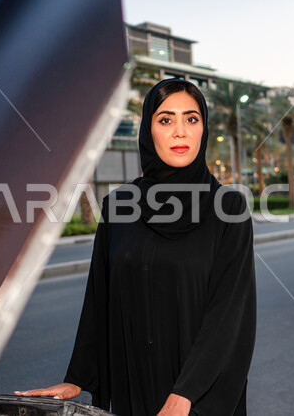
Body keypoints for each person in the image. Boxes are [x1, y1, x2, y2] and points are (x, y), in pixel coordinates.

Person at [15, 78, 256, 415]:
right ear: (148, 129)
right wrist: (78, 378)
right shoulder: (120, 206)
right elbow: (100, 300)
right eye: (165, 120)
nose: (180, 132)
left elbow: (230, 315)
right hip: (136, 391)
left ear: (203, 128)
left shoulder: (227, 207)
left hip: (198, 401)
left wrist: (185, 394)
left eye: (191, 118)